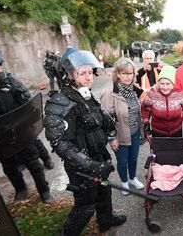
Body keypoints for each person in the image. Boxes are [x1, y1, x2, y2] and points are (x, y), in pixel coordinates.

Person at [44, 49, 126, 235]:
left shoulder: (85, 95)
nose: (89, 77)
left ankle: (106, 221)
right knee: (86, 205)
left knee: (104, 192)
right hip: (81, 167)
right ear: (69, 75)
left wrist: (110, 130)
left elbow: (100, 122)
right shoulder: (61, 102)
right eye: (83, 73)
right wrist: (90, 165)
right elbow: (60, 143)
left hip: (98, 157)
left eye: (90, 72)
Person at [0, 47, 52, 203]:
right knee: (10, 169)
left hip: (21, 134)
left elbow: (30, 107)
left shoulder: (11, 83)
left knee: (34, 165)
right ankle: (21, 189)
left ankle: (44, 192)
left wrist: (29, 122)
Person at [100, 58, 144, 196]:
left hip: (135, 131)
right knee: (122, 160)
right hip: (120, 135)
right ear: (118, 74)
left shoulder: (135, 89)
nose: (128, 77)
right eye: (124, 73)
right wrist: (111, 137)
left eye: (130, 73)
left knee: (133, 158)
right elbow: (106, 119)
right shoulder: (110, 93)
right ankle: (124, 182)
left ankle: (132, 178)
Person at [141, 65, 183, 137]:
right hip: (158, 133)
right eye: (162, 83)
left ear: (173, 84)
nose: (165, 87)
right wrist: (146, 121)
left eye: (168, 84)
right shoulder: (152, 94)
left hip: (176, 132)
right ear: (158, 83)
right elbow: (144, 107)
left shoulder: (179, 94)